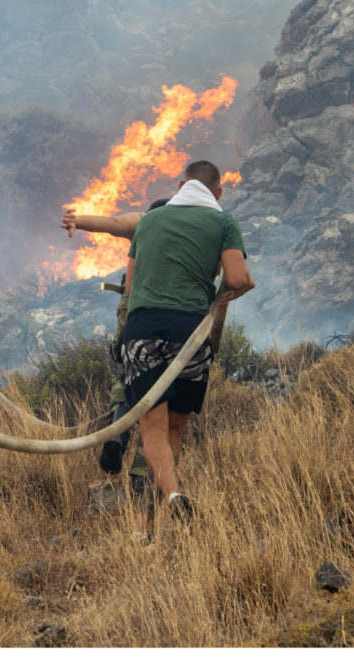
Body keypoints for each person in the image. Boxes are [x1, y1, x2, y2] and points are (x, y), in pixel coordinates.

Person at [120, 161, 254, 519]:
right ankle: (154, 519)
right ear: (218, 192)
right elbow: (237, 279)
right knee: (175, 429)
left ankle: (173, 496)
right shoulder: (224, 222)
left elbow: (130, 288)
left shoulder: (148, 221)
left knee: (153, 432)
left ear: (181, 186)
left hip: (144, 331)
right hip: (191, 334)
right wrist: (228, 290)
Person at [60, 201, 167, 489]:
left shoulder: (145, 223)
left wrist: (78, 221)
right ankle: (141, 475)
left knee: (128, 368)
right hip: (165, 308)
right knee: (161, 392)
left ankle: (116, 436)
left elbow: (114, 224)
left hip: (131, 304)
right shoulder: (182, 229)